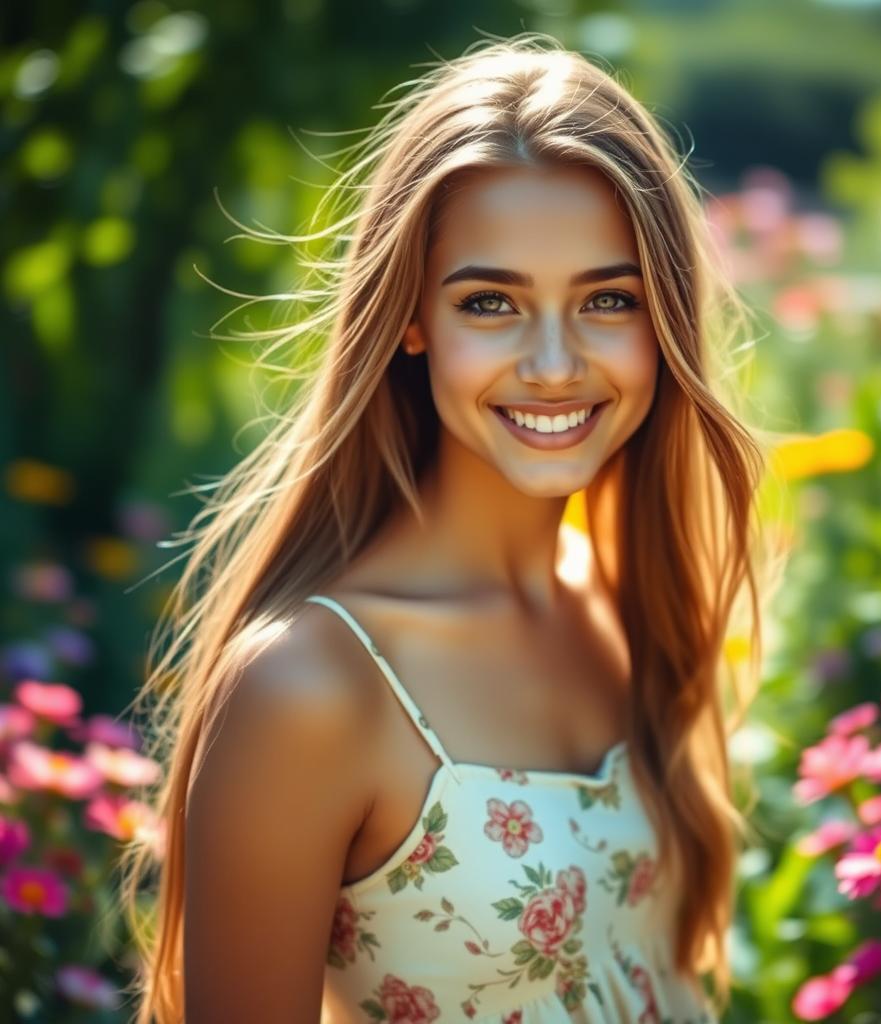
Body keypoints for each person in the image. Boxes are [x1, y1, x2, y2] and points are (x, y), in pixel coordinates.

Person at [117, 31, 782, 1024]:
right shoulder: (309, 686)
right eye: (490, 302)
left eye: (608, 299)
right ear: (412, 318)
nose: (554, 363)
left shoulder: (614, 603)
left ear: (667, 321)